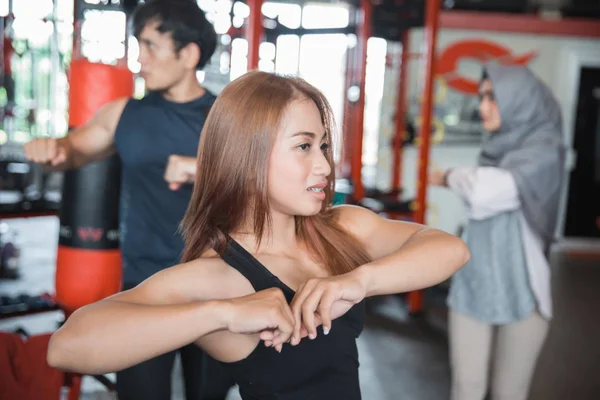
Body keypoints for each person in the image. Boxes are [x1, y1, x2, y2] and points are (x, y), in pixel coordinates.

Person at [46, 70, 470, 399]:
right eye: (303, 146)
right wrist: (222, 314)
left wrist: (358, 281)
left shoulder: (340, 228)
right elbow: (66, 347)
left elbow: (450, 249)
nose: (323, 165)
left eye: (323, 146)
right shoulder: (221, 277)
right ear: (246, 158)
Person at [24, 1, 235, 399]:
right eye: (139, 45)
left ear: (188, 54)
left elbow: (263, 179)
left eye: (152, 47)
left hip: (215, 284)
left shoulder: (225, 118)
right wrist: (51, 148)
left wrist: (198, 167)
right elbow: (73, 150)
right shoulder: (123, 114)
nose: (140, 59)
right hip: (145, 287)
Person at [429, 63, 565, 400]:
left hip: (525, 294)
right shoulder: (496, 150)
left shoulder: (546, 152)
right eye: (481, 96)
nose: (482, 106)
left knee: (510, 393)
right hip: (474, 284)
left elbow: (484, 193)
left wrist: (450, 176)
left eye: (492, 97)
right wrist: (467, 177)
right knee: (467, 388)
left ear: (520, 100)